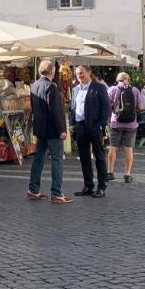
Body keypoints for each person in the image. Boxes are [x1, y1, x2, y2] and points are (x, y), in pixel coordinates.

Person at [28, 60, 71, 204]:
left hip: (40, 129)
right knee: (57, 160)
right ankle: (56, 193)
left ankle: (33, 189)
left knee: (38, 159)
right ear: (52, 71)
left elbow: (34, 109)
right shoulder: (51, 86)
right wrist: (62, 130)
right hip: (52, 130)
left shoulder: (34, 85)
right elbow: (56, 111)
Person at [70, 66, 111, 198]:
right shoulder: (75, 89)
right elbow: (73, 107)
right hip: (80, 126)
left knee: (99, 156)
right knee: (84, 157)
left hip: (94, 126)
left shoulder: (99, 88)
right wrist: (72, 123)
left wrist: (100, 125)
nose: (79, 76)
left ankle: (101, 187)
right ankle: (88, 185)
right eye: (77, 74)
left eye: (81, 73)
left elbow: (106, 108)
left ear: (89, 73)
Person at [106, 72, 145, 183]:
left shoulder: (112, 89)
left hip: (115, 123)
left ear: (117, 79)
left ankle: (110, 172)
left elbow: (107, 106)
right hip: (131, 124)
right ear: (128, 79)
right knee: (129, 149)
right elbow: (140, 107)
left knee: (113, 147)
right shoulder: (135, 90)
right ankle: (127, 175)